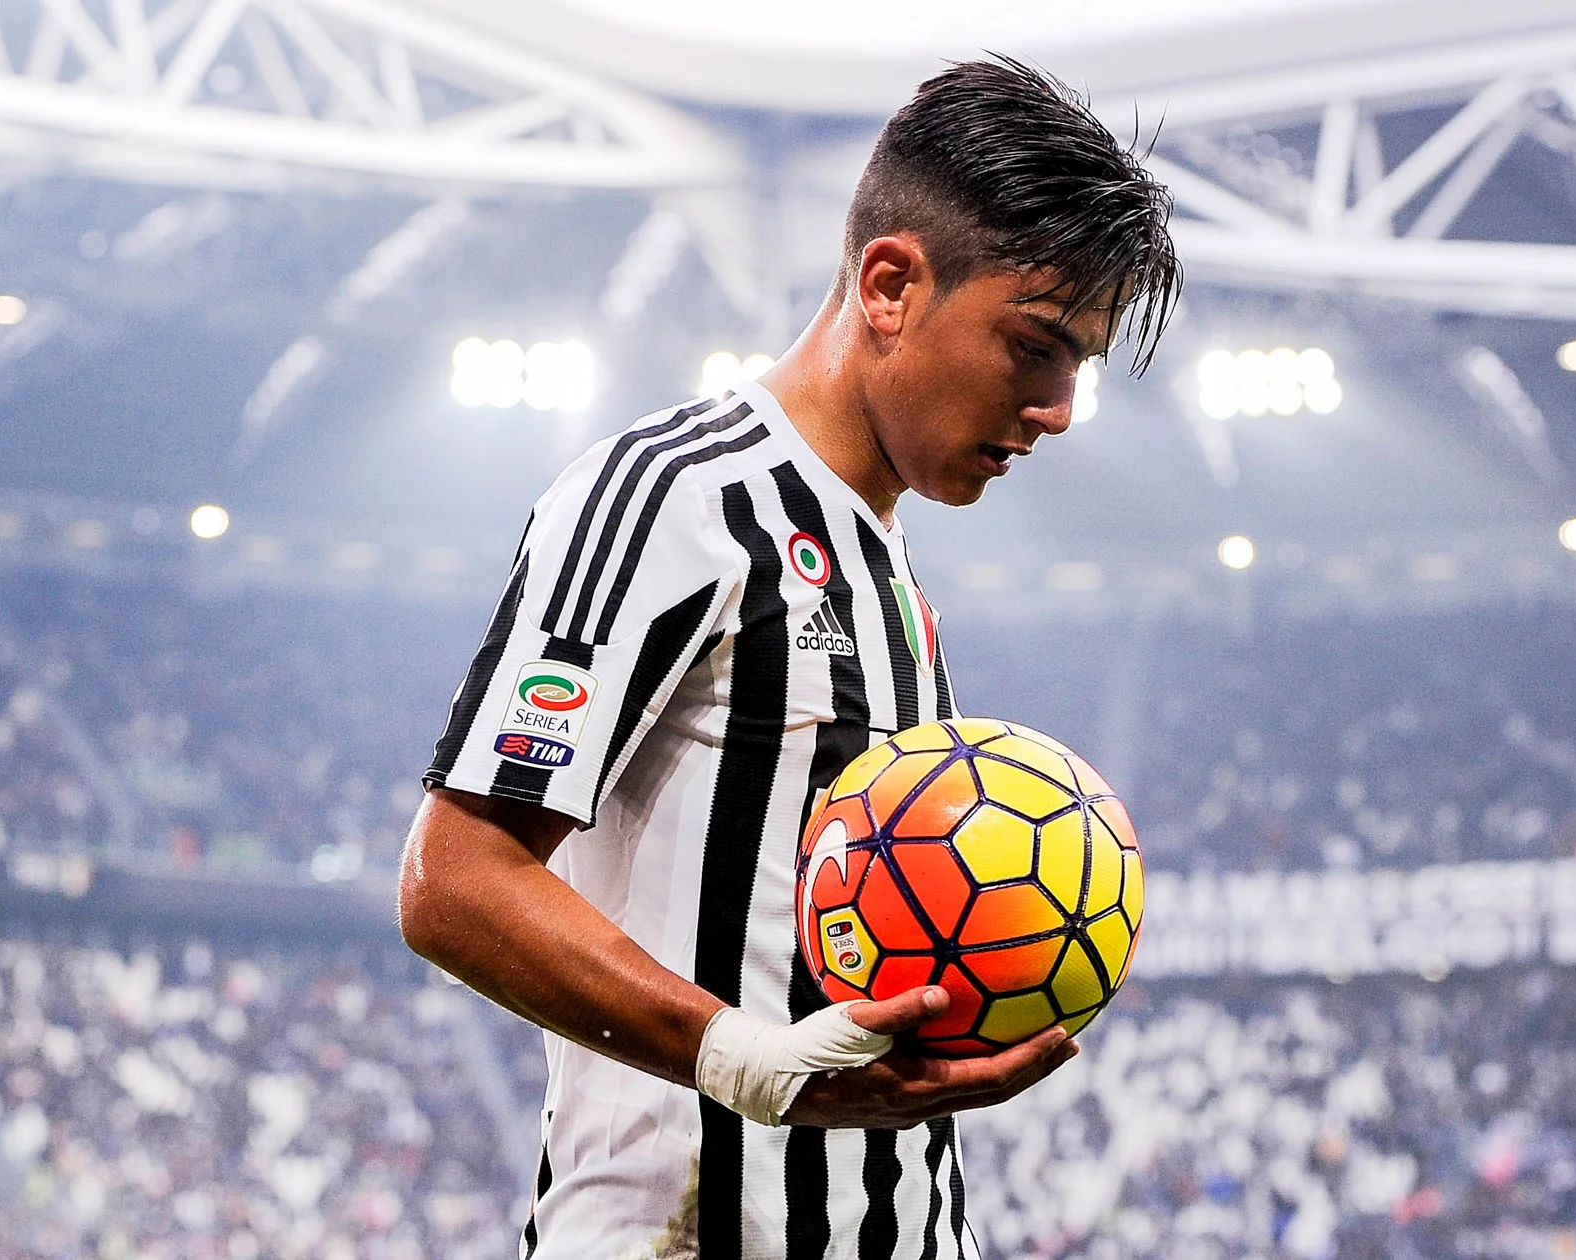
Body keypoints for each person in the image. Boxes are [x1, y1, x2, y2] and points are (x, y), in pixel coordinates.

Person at [399, 55, 1179, 1260]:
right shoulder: (674, 498)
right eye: (1036, 347)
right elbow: (453, 880)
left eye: (1077, 365)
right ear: (890, 284)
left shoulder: (887, 561)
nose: (1059, 408)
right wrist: (744, 1059)